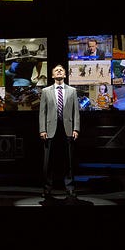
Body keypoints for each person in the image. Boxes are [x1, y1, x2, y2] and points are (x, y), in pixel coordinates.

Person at [39, 64, 80, 201]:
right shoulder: (46, 91)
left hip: (67, 129)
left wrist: (76, 128)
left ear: (65, 74)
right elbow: (42, 112)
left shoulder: (72, 91)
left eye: (61, 70)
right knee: (48, 162)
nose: (59, 71)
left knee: (68, 161)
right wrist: (42, 129)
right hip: (50, 130)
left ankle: (70, 188)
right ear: (52, 75)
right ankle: (47, 189)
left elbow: (76, 112)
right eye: (56, 70)